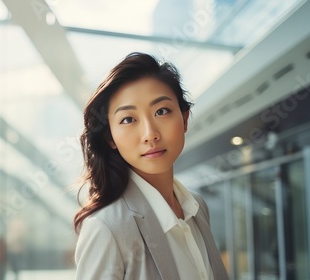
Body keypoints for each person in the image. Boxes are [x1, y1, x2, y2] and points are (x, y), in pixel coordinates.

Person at [73, 52, 229, 280]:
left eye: (161, 111)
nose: (150, 134)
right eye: (128, 119)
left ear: (184, 119)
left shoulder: (197, 207)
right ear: (110, 138)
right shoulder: (106, 227)